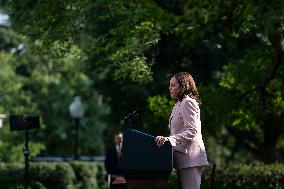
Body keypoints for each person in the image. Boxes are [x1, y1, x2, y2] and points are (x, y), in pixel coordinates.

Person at [155, 72, 208, 189]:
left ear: (183, 86)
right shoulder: (178, 104)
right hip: (182, 159)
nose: (169, 88)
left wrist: (170, 139)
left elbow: (192, 130)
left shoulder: (188, 102)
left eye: (173, 85)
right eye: (169, 85)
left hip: (191, 158)